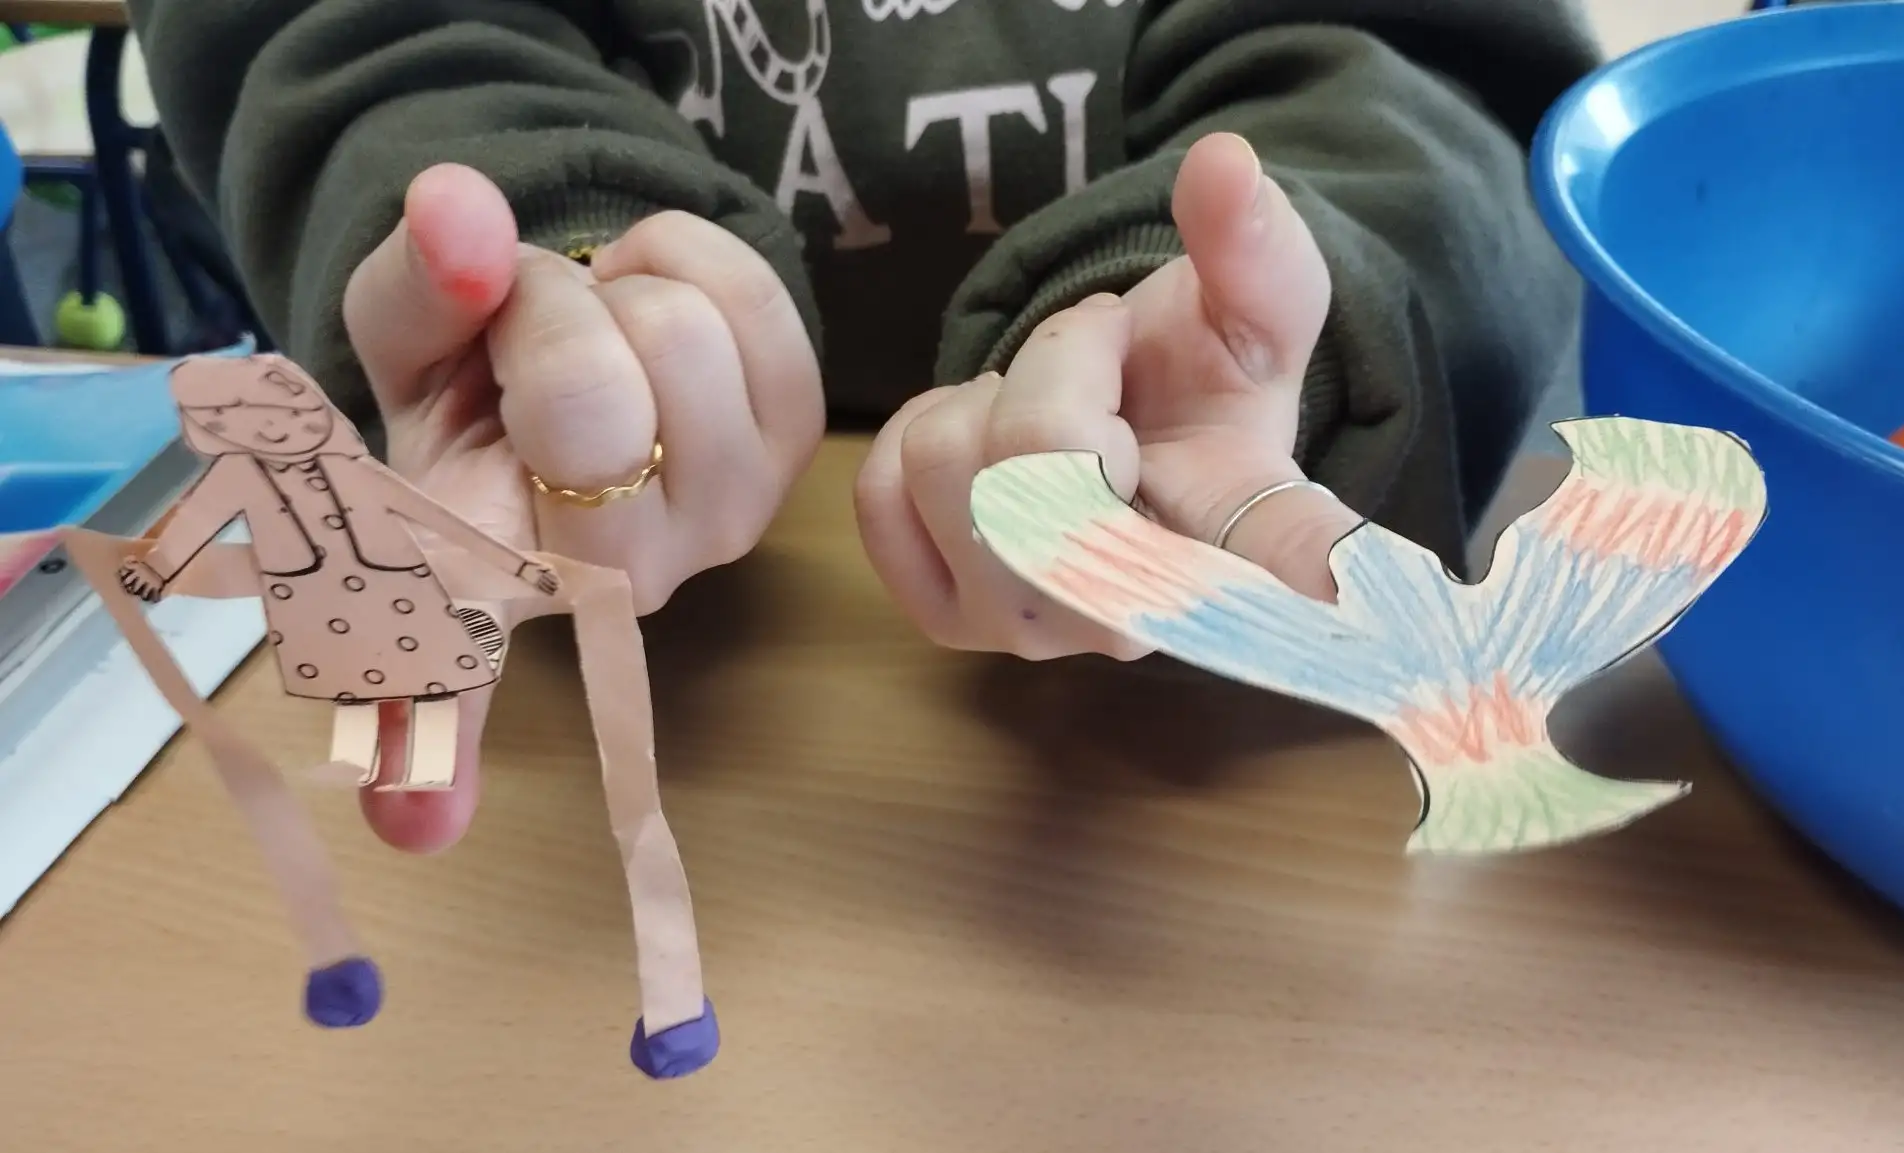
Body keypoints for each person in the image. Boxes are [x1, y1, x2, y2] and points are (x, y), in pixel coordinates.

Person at [131, 0, 1602, 852]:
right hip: (635, 672)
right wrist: (548, 278)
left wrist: (1264, 331)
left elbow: (1428, 73)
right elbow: (349, 35)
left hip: (1237, 720)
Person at [119, 354, 561, 791]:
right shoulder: (237, 474)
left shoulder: (353, 467)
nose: (271, 430)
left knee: (434, 677)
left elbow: (438, 518)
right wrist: (158, 569)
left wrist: (516, 564)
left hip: (397, 590)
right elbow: (198, 521)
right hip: (315, 598)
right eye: (235, 424)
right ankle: (355, 763)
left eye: (283, 415)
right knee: (353, 682)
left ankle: (430, 764)